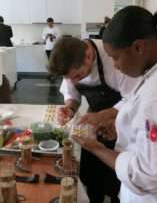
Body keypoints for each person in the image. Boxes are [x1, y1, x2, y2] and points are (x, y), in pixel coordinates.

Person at [73, 5, 157, 203]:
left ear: (138, 47)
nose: (115, 65)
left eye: (116, 57)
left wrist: (95, 148)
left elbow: (147, 175)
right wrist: (126, 129)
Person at [48, 37, 139, 203]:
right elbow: (73, 96)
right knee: (92, 175)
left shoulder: (113, 57)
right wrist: (69, 108)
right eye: (71, 78)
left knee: (117, 176)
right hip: (95, 120)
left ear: (88, 56)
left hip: (122, 122)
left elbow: (132, 98)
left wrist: (104, 116)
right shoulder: (71, 61)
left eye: (79, 75)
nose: (75, 81)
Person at [42, 17, 60, 82]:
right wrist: (46, 36)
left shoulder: (56, 28)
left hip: (54, 47)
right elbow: (43, 37)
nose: (50, 25)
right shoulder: (45, 29)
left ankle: (52, 75)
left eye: (51, 23)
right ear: (47, 23)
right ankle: (51, 75)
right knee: (50, 61)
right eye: (48, 23)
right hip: (47, 47)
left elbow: (59, 36)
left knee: (54, 61)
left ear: (53, 22)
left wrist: (53, 36)